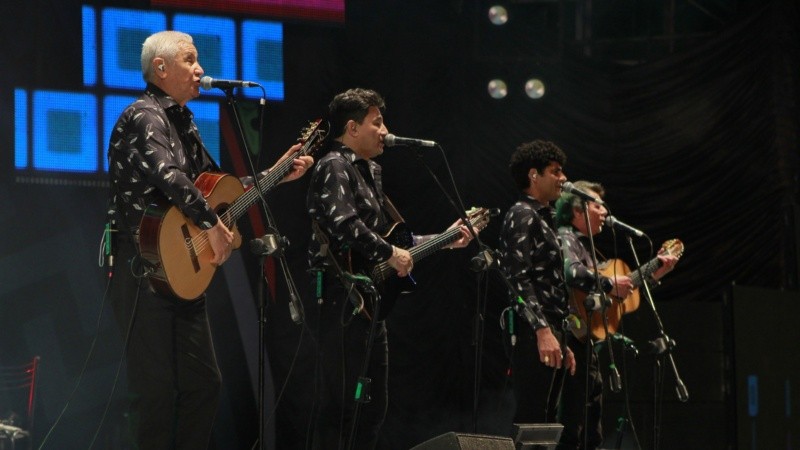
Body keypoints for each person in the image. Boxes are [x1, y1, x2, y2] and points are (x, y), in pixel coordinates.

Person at [105, 30, 312, 449]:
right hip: (144, 268)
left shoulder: (186, 122)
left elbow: (217, 191)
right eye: (190, 60)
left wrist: (275, 174)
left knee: (205, 385)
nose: (201, 69)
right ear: (160, 68)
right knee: (156, 394)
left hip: (182, 275)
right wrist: (213, 227)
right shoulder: (144, 115)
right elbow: (170, 177)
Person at [306, 88, 473, 449]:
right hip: (340, 301)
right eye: (377, 123)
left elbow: (391, 239)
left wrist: (444, 238)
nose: (385, 131)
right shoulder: (334, 164)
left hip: (369, 305)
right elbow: (345, 224)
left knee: (373, 409)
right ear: (352, 128)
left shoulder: (370, 171)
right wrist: (390, 251)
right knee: (343, 409)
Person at [554, 180, 677, 449]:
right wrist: (609, 283)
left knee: (592, 425)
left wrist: (654, 274)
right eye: (598, 206)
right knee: (572, 424)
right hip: (570, 340)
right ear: (577, 211)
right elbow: (571, 273)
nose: (605, 214)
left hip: (588, 345)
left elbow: (620, 297)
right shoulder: (565, 237)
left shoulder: (589, 249)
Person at [498, 140, 577, 428]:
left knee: (547, 419)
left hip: (551, 327)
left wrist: (561, 337)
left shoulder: (545, 217)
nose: (563, 178)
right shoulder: (522, 213)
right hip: (534, 328)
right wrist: (543, 331)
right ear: (534, 175)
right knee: (533, 419)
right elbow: (517, 278)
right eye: (555, 171)